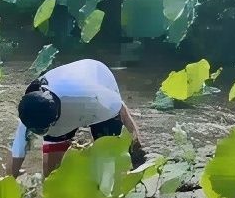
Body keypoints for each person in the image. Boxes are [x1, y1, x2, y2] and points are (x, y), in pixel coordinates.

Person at [8, 58, 145, 179]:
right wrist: (8, 183)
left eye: (43, 130)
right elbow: (18, 148)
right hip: (67, 89)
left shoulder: (94, 100)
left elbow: (120, 109)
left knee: (108, 167)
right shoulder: (32, 105)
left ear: (54, 119)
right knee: (51, 176)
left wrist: (137, 146)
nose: (40, 134)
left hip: (98, 78)